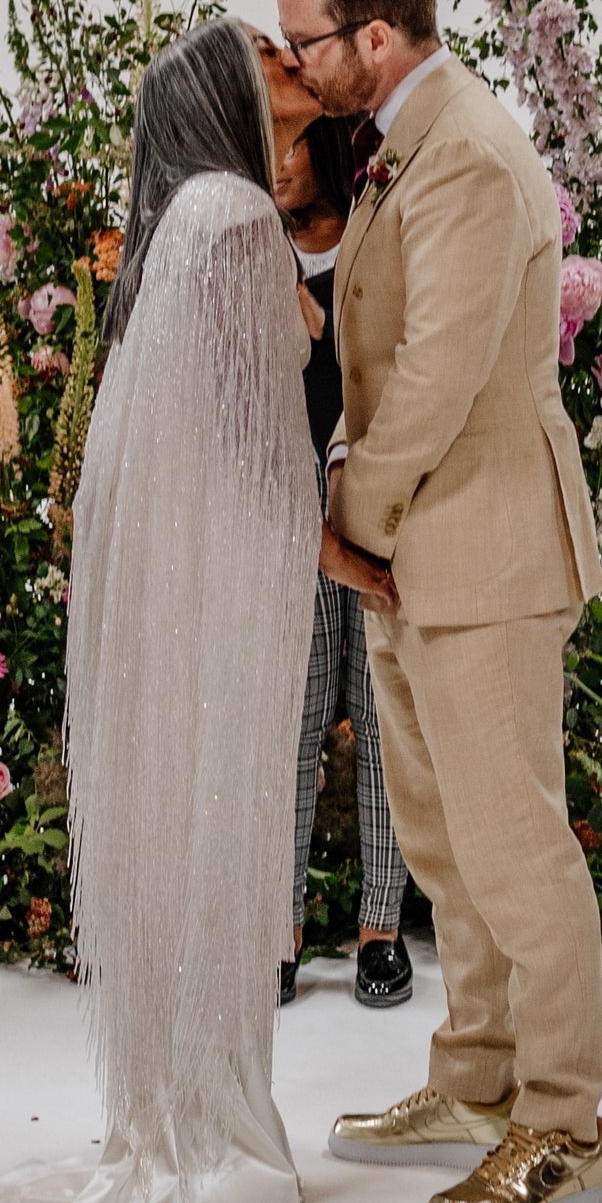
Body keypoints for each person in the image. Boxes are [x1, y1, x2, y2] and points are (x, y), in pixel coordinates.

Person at [0, 17, 317, 1203]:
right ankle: (205, 1113)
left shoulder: (179, 224)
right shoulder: (239, 216)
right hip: (227, 567)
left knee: (176, 814)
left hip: (164, 564)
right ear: (222, 95)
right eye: (267, 54)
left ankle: (165, 1096)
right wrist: (338, 553)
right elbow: (266, 436)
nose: (291, 64)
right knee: (221, 812)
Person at [271, 0, 602, 1203]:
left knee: (518, 849)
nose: (297, 66)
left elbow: (432, 383)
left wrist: (333, 515)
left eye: (309, 41)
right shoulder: (404, 140)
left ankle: (565, 1127)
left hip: (481, 544)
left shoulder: (465, 153)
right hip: (422, 547)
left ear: (376, 33)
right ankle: (475, 1082)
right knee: (446, 844)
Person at [254, 55, 410, 1010]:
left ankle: (381, 929)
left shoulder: (375, 236)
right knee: (293, 724)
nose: (275, 166)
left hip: (381, 489)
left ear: (322, 143)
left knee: (388, 720)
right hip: (284, 504)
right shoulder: (249, 249)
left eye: (288, 145)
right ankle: (278, 930)